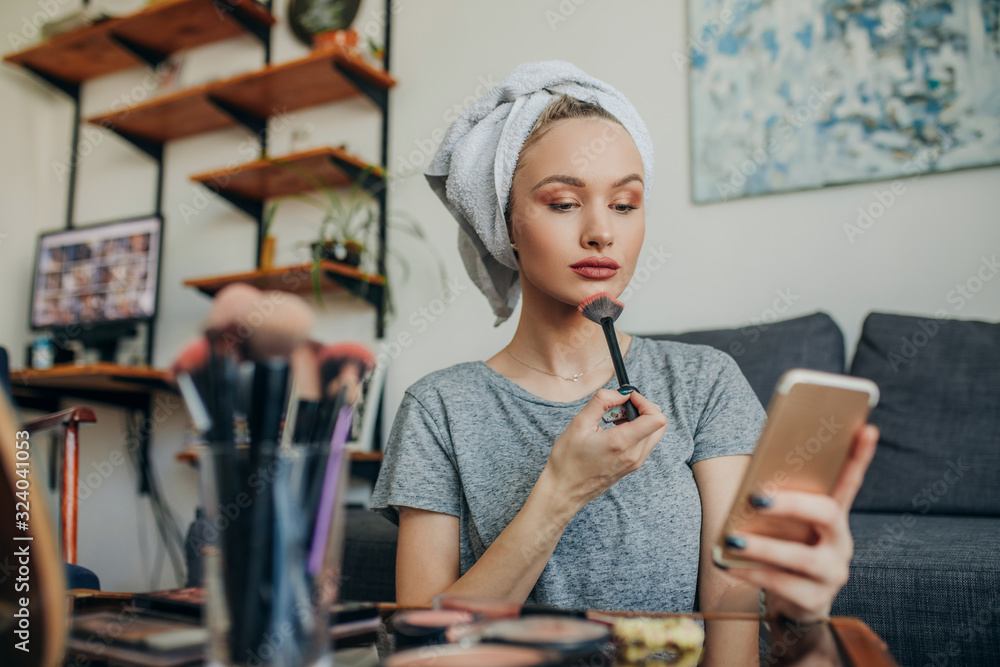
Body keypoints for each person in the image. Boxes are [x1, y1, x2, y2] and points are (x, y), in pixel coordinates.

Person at [369, 61, 878, 660]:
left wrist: (803, 615)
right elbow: (422, 655)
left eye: (625, 203)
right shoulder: (439, 407)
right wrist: (560, 491)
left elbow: (733, 626)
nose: (600, 232)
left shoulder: (704, 383)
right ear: (505, 222)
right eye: (563, 202)